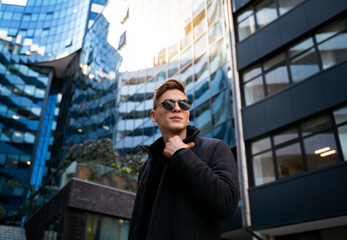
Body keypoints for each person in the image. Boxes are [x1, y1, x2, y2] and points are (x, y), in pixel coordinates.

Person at [128, 79, 239, 240]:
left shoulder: (215, 148)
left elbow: (227, 203)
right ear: (153, 115)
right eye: (168, 104)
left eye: (184, 104)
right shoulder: (148, 166)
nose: (177, 108)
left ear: (187, 116)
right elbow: (138, 223)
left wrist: (181, 155)